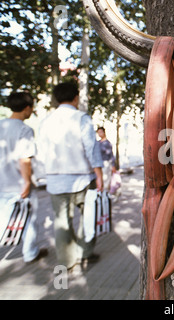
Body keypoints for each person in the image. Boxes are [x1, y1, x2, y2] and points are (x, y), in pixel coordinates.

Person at [38, 82, 103, 271]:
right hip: (83, 178)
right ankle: (85, 253)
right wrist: (99, 174)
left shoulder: (45, 121)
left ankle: (67, 261)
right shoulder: (81, 118)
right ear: (76, 98)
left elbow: (42, 152)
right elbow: (91, 148)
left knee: (61, 222)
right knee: (88, 217)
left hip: (55, 180)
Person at [0, 92, 48, 263]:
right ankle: (30, 253)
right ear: (27, 108)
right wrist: (27, 182)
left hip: (2, 183)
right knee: (30, 219)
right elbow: (25, 158)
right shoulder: (24, 129)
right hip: (18, 183)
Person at [96, 127, 116, 191]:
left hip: (106, 163)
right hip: (99, 163)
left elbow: (111, 155)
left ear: (104, 132)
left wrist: (113, 165)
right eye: (98, 132)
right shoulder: (98, 143)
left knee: (106, 181)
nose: (99, 134)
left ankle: (106, 195)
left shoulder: (107, 143)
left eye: (101, 132)